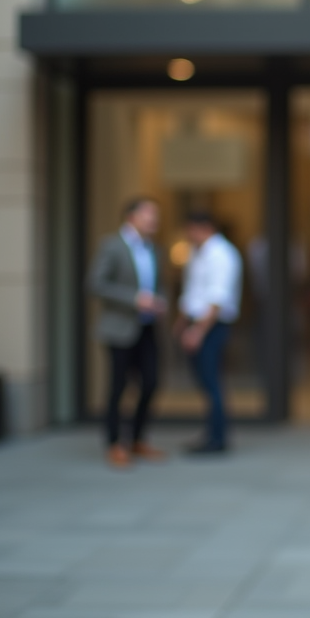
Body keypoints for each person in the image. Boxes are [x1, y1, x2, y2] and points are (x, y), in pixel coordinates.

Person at [87, 197, 168, 469]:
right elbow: (96, 284)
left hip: (146, 327)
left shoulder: (154, 249)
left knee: (151, 382)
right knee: (118, 387)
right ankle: (114, 444)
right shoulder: (111, 245)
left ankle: (136, 439)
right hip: (119, 328)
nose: (154, 220)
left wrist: (160, 302)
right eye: (149, 214)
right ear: (131, 217)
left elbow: (160, 285)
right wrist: (135, 299)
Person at [175, 212, 243, 454]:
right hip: (199, 323)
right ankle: (212, 433)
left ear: (203, 228)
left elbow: (217, 299)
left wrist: (197, 331)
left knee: (212, 381)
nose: (188, 235)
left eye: (190, 229)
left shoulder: (221, 254)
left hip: (211, 326)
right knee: (206, 381)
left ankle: (217, 438)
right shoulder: (198, 252)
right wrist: (183, 321)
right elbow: (192, 291)